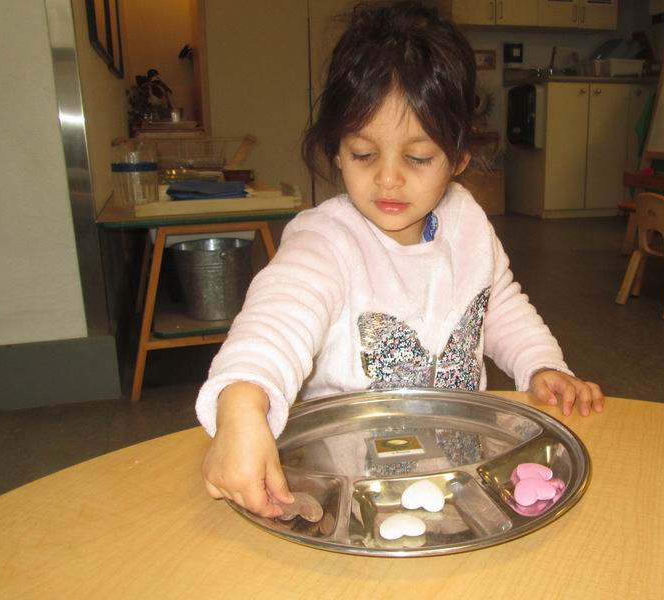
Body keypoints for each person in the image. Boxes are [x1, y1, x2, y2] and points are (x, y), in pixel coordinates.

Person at [197, 0, 604, 519]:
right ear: (336, 151)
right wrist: (240, 407)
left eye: (417, 157)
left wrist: (541, 364)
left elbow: (497, 303)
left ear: (458, 157)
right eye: (364, 154)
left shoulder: (468, 222)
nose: (388, 179)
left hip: (460, 470)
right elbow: (276, 318)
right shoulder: (325, 241)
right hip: (347, 480)